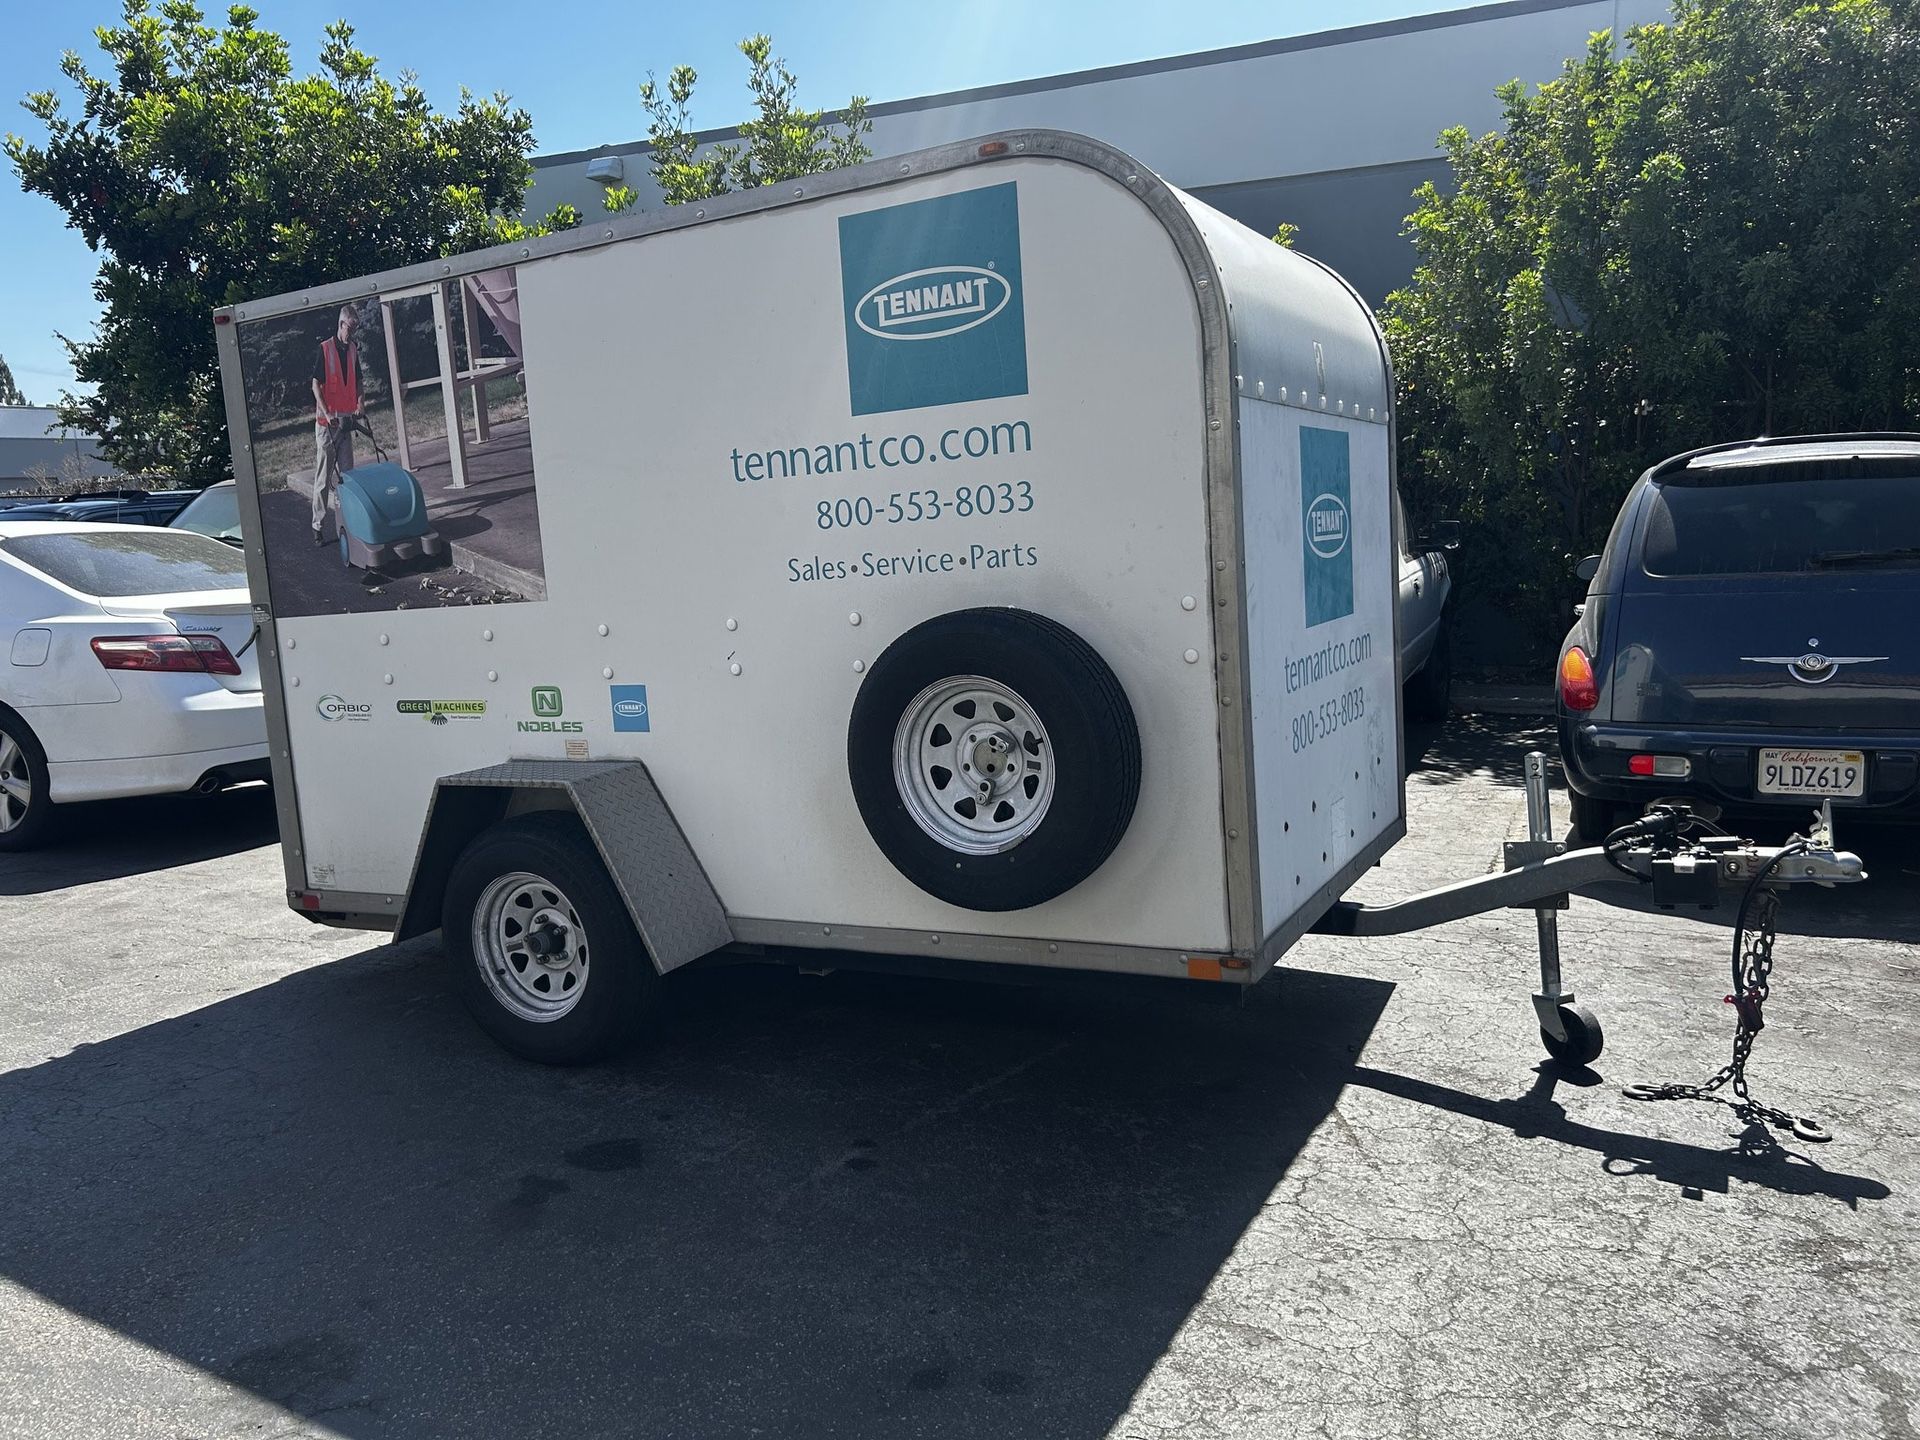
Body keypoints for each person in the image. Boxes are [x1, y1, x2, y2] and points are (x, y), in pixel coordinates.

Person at [310, 305, 363, 544]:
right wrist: (326, 412)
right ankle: (318, 525)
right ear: (342, 324)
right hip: (327, 424)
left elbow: (359, 381)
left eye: (355, 329)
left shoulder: (353, 350)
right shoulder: (325, 349)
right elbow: (315, 386)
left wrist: (361, 403)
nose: (352, 333)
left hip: (347, 422)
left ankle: (351, 523)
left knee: (348, 476)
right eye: (350, 328)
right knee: (323, 479)